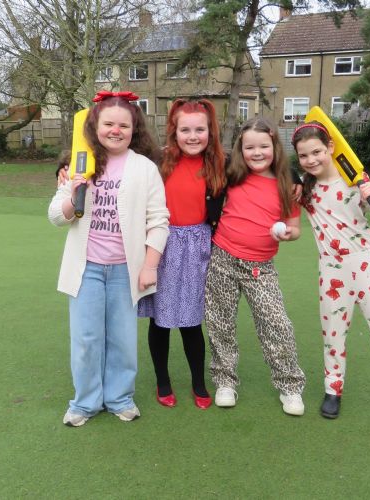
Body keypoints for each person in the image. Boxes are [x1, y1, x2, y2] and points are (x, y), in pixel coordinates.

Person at [48, 91, 169, 427]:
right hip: (85, 268)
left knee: (122, 340)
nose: (116, 131)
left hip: (124, 270)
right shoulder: (79, 164)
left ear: (134, 130)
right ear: (95, 126)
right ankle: (85, 402)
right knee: (86, 339)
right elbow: (56, 216)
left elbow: (159, 220)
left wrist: (149, 265)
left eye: (124, 126)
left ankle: (119, 398)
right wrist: (74, 195)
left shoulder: (145, 168)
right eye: (108, 124)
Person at [291, 121, 370, 424]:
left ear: (331, 147)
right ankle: (333, 389)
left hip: (366, 264)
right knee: (333, 332)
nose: (311, 160)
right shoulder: (305, 188)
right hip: (332, 270)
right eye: (304, 155)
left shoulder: (354, 179)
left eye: (317, 152)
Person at [205, 117, 306, 416]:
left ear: (275, 146)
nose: (257, 153)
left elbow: (295, 228)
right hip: (222, 258)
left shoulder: (288, 185)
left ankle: (290, 386)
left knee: (276, 324)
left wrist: (288, 234)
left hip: (260, 267)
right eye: (250, 147)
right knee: (220, 323)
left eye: (264, 146)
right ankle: (225, 381)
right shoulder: (232, 173)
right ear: (241, 149)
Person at [138, 98, 227, 410]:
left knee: (191, 321)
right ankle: (162, 380)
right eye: (185, 130)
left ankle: (198, 382)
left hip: (197, 247)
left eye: (199, 130)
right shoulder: (157, 161)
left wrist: (296, 180)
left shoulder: (220, 163)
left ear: (210, 131)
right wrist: (64, 166)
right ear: (174, 132)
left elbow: (262, 166)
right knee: (160, 320)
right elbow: (114, 160)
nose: (193, 136)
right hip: (160, 246)